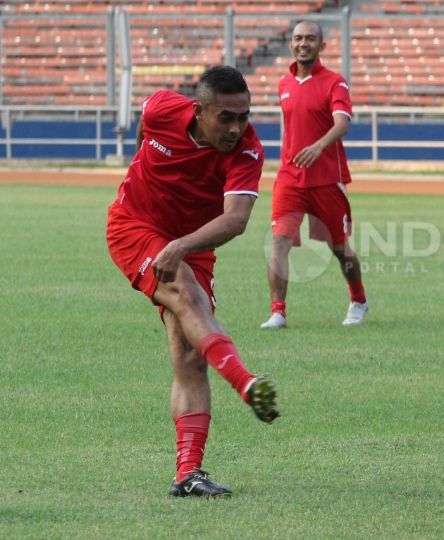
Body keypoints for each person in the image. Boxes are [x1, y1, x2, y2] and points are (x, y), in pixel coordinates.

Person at [105, 66, 280, 497]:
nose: (237, 128)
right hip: (135, 226)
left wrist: (181, 245)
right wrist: (140, 170)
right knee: (184, 292)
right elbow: (145, 126)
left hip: (190, 246)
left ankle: (187, 475)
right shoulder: (163, 108)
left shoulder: (247, 151)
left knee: (189, 356)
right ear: (199, 111)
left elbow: (236, 220)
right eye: (226, 117)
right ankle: (244, 381)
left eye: (244, 116)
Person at [260, 20, 368, 329]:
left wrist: (318, 146)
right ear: (291, 44)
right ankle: (278, 312)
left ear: (321, 46)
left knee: (338, 247)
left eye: (310, 38)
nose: (303, 43)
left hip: (326, 179)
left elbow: (342, 123)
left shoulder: (335, 83)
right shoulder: (284, 84)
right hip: (289, 178)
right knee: (279, 241)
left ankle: (358, 299)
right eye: (298, 38)